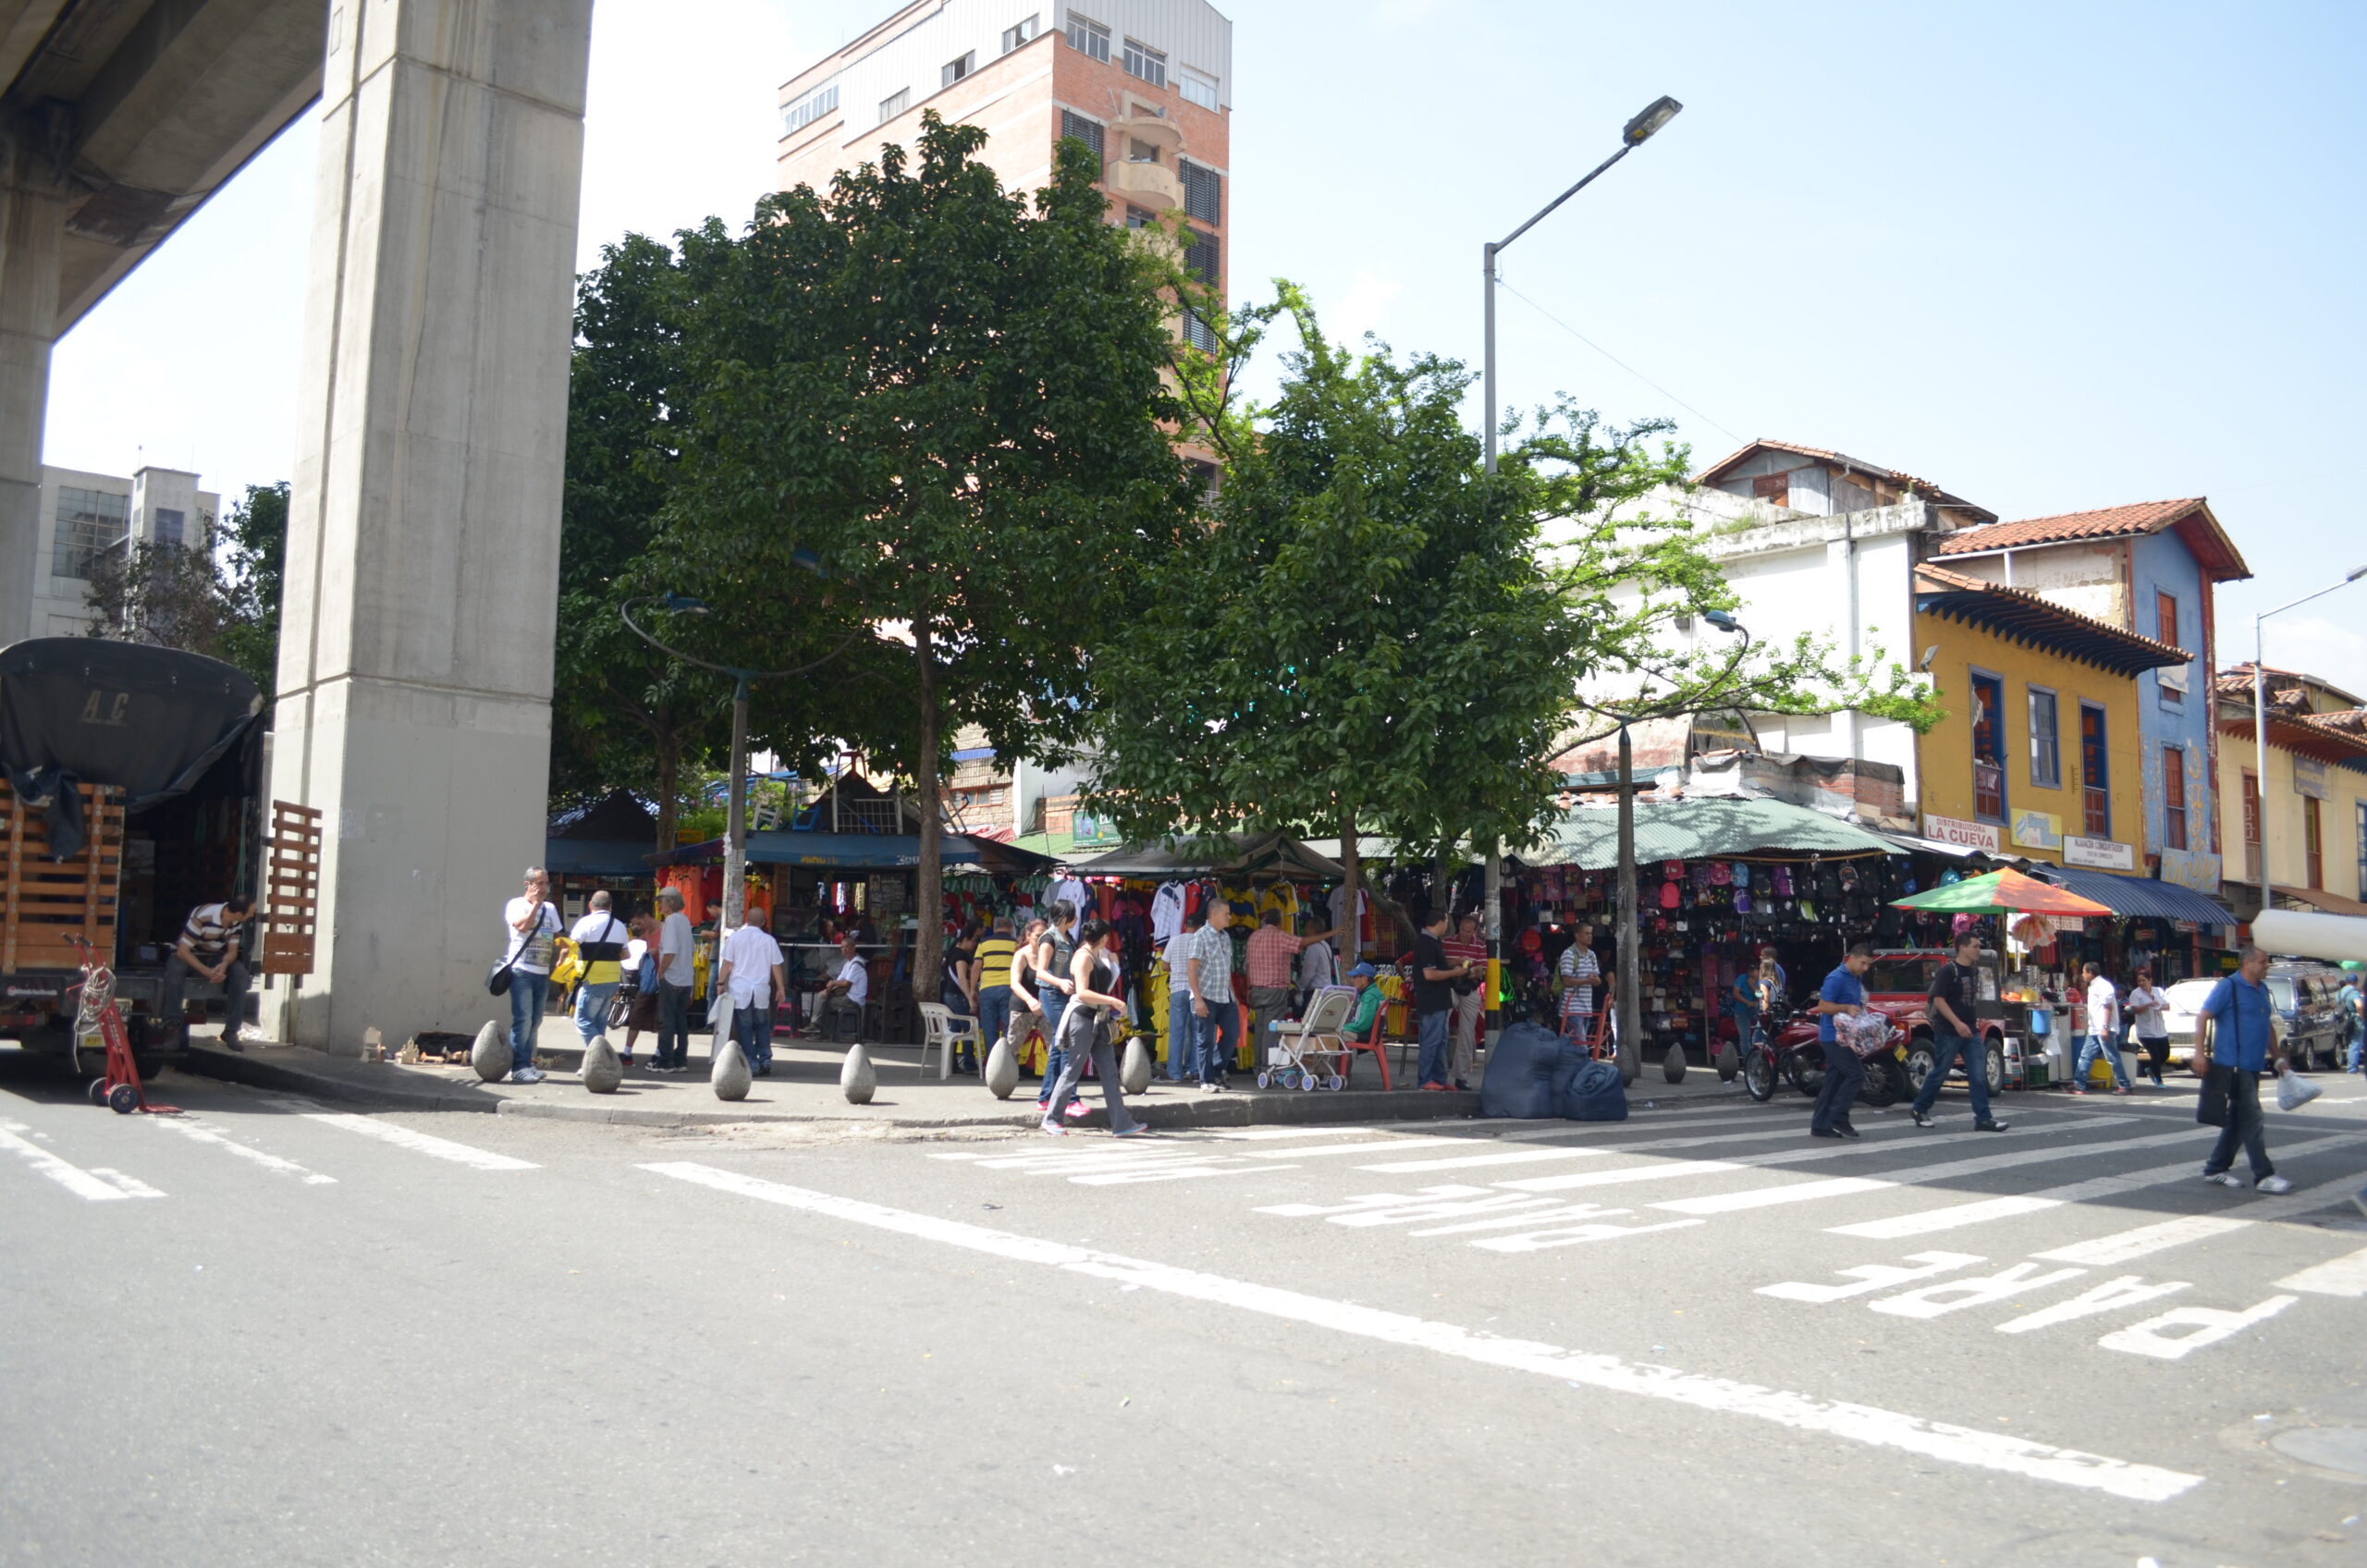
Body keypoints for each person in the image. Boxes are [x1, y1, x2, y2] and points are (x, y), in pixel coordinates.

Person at [2195, 945, 2295, 1194]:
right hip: (2233, 1065)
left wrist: (2278, 1058)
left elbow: (2267, 1025)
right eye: (2263, 961)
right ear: (2247, 963)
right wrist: (2199, 1054)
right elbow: (2203, 1016)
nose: (2266, 966)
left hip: (2252, 1066)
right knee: (2252, 1118)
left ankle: (2215, 1168)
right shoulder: (2228, 987)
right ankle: (2264, 1175)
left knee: (2238, 1122)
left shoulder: (2261, 990)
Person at [1039, 917, 1149, 1138]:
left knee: (1109, 1072)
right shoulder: (1083, 957)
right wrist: (1113, 1001)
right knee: (1072, 1069)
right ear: (1104, 937)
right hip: (1082, 1018)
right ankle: (1051, 1118)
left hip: (1098, 1018)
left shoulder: (1098, 954)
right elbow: (1082, 992)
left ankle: (1122, 1123)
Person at [1908, 932, 2008, 1133]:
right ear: (1963, 947)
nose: (1978, 950)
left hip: (1970, 1032)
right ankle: (1920, 1109)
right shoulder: (1948, 970)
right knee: (1940, 1072)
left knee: (1978, 1075)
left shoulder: (1973, 970)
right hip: (1949, 1032)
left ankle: (1984, 1118)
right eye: (1975, 946)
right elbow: (1938, 1000)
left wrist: (1971, 1024)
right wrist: (1957, 1023)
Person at [166, 893, 255, 1052]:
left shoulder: (236, 922)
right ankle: (173, 1026)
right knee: (175, 971)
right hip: (187, 954)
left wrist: (224, 964)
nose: (252, 915)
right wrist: (207, 972)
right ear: (238, 914)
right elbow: (183, 951)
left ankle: (231, 1031)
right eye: (250, 913)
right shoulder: (203, 916)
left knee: (240, 974)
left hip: (213, 956)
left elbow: (232, 951)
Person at [499, 868, 562, 1084]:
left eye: (546, 883)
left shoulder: (551, 908)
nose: (544, 888)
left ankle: (528, 1063)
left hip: (542, 972)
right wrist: (535, 904)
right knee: (523, 1020)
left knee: (536, 1021)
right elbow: (523, 927)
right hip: (521, 970)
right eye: (539, 883)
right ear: (528, 884)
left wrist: (565, 948)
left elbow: (556, 936)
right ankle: (517, 1068)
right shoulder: (516, 905)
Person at [1809, 943, 1875, 1139]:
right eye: (1863, 963)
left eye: (1868, 965)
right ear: (1852, 958)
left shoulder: (1857, 977)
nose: (1865, 968)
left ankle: (1820, 1125)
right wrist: (1846, 1007)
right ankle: (1839, 1117)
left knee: (1833, 1081)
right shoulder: (1835, 978)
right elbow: (1823, 1006)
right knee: (1856, 1075)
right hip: (1832, 1037)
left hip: (1847, 1036)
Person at [717, 905, 787, 1076]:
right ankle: (765, 1059)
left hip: (740, 990)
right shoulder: (769, 940)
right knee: (762, 1025)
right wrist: (781, 988)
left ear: (746, 920)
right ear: (764, 922)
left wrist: (719, 983)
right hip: (761, 991)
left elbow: (727, 964)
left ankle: (751, 1061)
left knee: (744, 1026)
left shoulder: (735, 938)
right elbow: (776, 966)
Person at [1246, 910, 1335, 1027]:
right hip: (1325, 990)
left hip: (1315, 993)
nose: (1304, 930)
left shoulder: (1313, 948)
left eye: (1307, 927)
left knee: (1265, 1026)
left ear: (1313, 928)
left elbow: (1308, 975)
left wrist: (1298, 988)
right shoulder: (1325, 945)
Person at [568, 892, 632, 1055]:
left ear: (590, 905)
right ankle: (596, 1064)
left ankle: (601, 1055)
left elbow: (571, 947)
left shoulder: (585, 922)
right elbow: (626, 955)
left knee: (582, 1021)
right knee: (599, 1022)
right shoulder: (620, 925)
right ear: (610, 907)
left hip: (593, 979)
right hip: (612, 980)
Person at [1188, 899, 1241, 1091]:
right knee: (1205, 1040)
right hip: (1206, 996)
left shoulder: (1225, 937)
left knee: (1233, 1033)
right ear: (1214, 914)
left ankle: (1218, 1070)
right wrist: (1198, 1000)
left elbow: (1226, 969)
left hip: (1225, 996)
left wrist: (1233, 996)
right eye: (1226, 913)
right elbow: (1192, 970)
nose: (1229, 917)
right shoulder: (1200, 937)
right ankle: (1206, 1080)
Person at [1413, 909, 1466, 1091]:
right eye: (1446, 922)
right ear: (1440, 922)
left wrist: (1454, 962)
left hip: (1440, 1000)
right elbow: (1429, 974)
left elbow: (1438, 965)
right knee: (1431, 1041)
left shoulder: (1433, 943)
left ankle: (1439, 1078)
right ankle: (1425, 1080)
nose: (1447, 926)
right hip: (1431, 1001)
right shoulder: (1426, 943)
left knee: (1441, 1041)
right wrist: (1455, 972)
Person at [1035, 901, 1081, 1109]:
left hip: (1065, 996)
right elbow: (1041, 971)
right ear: (1064, 918)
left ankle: (1046, 1097)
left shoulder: (1068, 938)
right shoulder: (1049, 938)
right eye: (1073, 916)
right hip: (1051, 994)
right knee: (1067, 1042)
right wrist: (1060, 982)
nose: (1076, 920)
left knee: (1058, 1044)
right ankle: (1069, 1098)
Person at [650, 888, 695, 1072]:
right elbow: (690, 948)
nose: (659, 905)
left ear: (670, 902)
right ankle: (681, 1059)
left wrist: (661, 970)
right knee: (681, 1021)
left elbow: (670, 951)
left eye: (662, 901)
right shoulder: (685, 920)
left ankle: (666, 1060)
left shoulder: (670, 921)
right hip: (686, 978)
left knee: (666, 1021)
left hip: (672, 976)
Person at [2071, 961, 2132, 1095]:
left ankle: (2124, 1084)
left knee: (2112, 1057)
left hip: (2104, 1029)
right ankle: (2079, 1084)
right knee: (2085, 1056)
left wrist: (2105, 1027)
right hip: (2094, 1029)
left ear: (2090, 973)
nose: (2082, 975)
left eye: (2084, 972)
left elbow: (2108, 1006)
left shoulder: (2103, 986)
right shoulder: (2093, 986)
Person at [968, 915, 1017, 1076]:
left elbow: (976, 967)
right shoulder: (1014, 944)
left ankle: (992, 1069)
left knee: (990, 1030)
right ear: (1010, 928)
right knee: (1010, 1029)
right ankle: (1008, 1067)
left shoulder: (984, 943)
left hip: (987, 989)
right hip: (1008, 989)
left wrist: (973, 989)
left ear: (994, 928)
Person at [1443, 913, 1488, 1091]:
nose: (1464, 934)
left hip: (1469, 987)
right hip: (1449, 986)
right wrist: (1455, 963)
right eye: (1462, 930)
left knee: (1467, 1033)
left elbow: (1482, 969)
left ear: (1475, 931)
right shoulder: (1447, 942)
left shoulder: (1480, 945)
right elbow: (1441, 963)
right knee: (1440, 1026)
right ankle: (1438, 1074)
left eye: (1468, 932)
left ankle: (1461, 1076)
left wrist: (1473, 971)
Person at [1163, 907, 1204, 1083]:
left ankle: (1175, 1073)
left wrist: (1178, 969)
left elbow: (1164, 966)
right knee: (1197, 1033)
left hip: (1177, 990)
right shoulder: (1200, 941)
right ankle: (1195, 1071)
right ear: (1199, 926)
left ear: (1186, 925)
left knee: (1176, 1033)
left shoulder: (1174, 940)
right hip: (1196, 991)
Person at [1007, 916, 1049, 1066]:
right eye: (1038, 935)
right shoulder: (1021, 955)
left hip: (1045, 1007)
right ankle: (1004, 1077)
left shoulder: (1050, 954)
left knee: (1056, 1043)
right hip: (1023, 1006)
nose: (1041, 939)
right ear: (1028, 935)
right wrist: (1030, 1000)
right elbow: (1014, 983)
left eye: (1045, 935)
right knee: (1012, 1046)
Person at [2125, 967, 2173, 1086]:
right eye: (2139, 981)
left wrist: (2160, 1005)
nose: (2141, 983)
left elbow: (2168, 1006)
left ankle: (2150, 1068)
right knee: (2155, 1055)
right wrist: (2149, 1004)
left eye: (2143, 980)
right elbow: (2135, 1009)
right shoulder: (2136, 994)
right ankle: (2158, 1080)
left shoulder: (2158, 991)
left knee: (2165, 1054)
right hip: (2145, 1031)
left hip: (2160, 1030)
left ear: (2150, 980)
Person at [1557, 924, 1602, 1051]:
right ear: (1577, 936)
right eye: (1587, 933)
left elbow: (1598, 981)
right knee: (1580, 1045)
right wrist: (1586, 980)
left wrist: (1595, 980)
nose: (1590, 936)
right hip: (1572, 1008)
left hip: (1586, 1007)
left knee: (1577, 1044)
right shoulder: (1569, 954)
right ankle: (1582, 1069)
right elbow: (1566, 981)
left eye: (1591, 933)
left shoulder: (1591, 955)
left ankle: (1574, 1069)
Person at [821, 933, 868, 1039]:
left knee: (828, 1003)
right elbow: (839, 980)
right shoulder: (848, 963)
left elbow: (846, 983)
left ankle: (825, 1033)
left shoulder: (857, 964)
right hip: (849, 996)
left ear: (853, 948)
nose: (844, 950)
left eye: (847, 947)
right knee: (825, 997)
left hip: (854, 999)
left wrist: (833, 983)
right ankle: (822, 1030)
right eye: (842, 947)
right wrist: (830, 987)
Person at [1343, 962, 1385, 1040]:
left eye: (1355, 977)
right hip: (1370, 1034)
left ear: (1364, 979)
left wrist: (1343, 1027)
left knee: (1333, 1035)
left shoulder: (1370, 996)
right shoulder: (1373, 991)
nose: (1352, 980)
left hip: (1366, 1035)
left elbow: (1363, 1024)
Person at [2337, 972, 2363, 1075]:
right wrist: (2360, 1015)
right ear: (2356, 982)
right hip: (2354, 1020)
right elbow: (2359, 1005)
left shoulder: (2339, 992)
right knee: (2355, 1044)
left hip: (2342, 1021)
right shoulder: (2354, 992)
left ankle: (2350, 1064)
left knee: (2348, 1043)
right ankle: (2352, 1068)